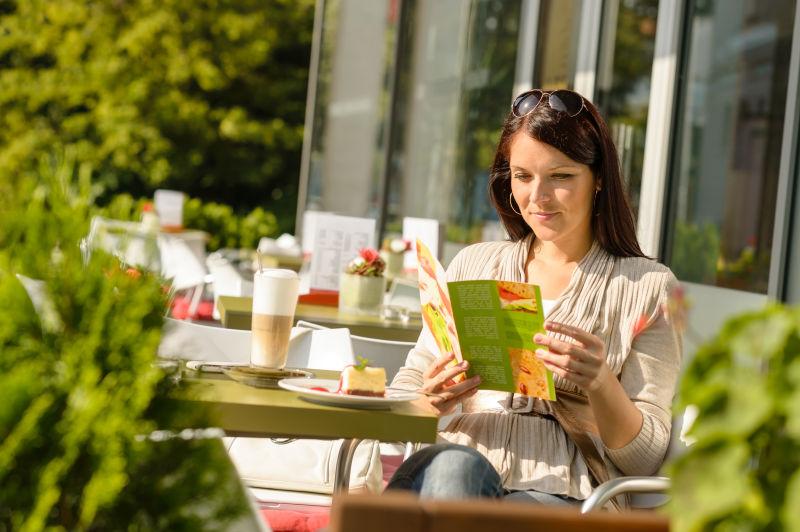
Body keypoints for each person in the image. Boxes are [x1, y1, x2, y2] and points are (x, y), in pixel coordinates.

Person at [386, 89, 683, 508]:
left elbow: (644, 462)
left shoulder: (648, 287)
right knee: (455, 469)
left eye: (560, 177)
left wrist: (600, 382)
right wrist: (428, 401)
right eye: (523, 176)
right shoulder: (474, 263)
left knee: (453, 474)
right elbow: (403, 401)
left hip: (562, 496)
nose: (537, 197)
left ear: (598, 179)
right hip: (449, 476)